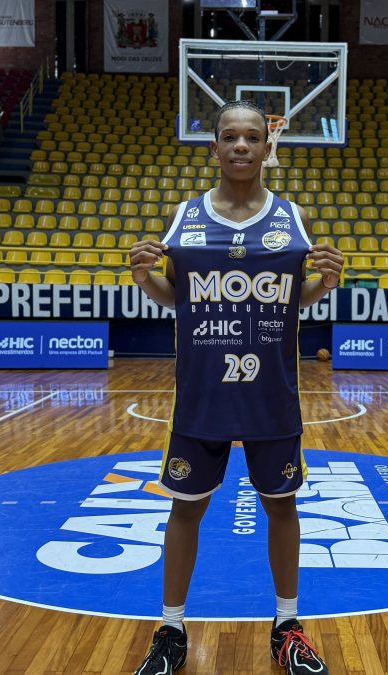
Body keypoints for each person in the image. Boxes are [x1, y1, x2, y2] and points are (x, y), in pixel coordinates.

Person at [128, 100, 343, 675]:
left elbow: (294, 299)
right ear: (215, 147)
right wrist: (144, 278)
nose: (241, 146)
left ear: (267, 147)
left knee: (282, 508)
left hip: (272, 395)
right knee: (185, 511)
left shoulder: (294, 216)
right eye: (230, 137)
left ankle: (287, 627)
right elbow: (177, 297)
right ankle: (171, 630)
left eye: (252, 137)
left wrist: (325, 284)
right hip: (202, 395)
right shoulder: (184, 215)